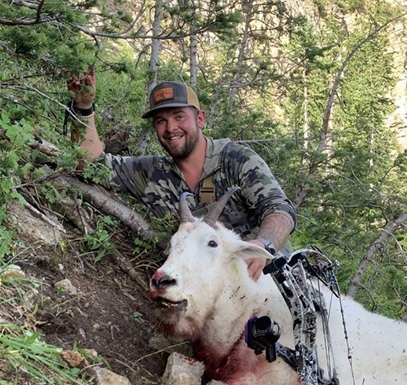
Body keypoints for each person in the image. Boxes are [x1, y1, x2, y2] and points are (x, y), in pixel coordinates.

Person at [67, 67, 296, 281]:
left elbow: (280, 209)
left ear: (200, 119)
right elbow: (91, 166)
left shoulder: (237, 160)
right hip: (200, 290)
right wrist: (83, 108)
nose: (170, 128)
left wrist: (263, 244)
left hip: (265, 280)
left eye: (179, 117)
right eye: (161, 121)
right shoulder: (151, 173)